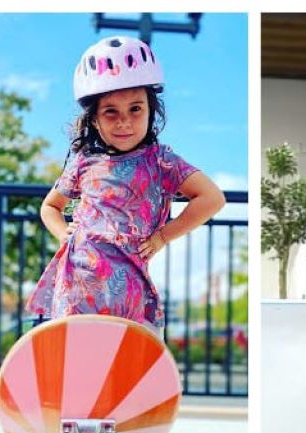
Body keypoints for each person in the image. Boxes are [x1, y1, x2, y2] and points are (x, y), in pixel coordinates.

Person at [26, 36, 226, 334]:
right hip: (76, 288)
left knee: (125, 369)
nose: (124, 122)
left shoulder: (161, 160)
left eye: (135, 109)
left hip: (128, 290)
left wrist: (163, 236)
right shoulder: (84, 161)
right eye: (111, 112)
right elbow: (50, 207)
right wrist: (63, 233)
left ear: (151, 111)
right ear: (94, 119)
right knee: (76, 370)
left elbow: (211, 198)